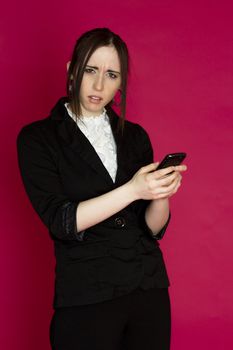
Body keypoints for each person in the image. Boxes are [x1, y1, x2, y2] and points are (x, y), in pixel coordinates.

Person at [17, 27, 187, 350]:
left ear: (120, 82)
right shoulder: (37, 139)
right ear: (71, 70)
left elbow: (151, 228)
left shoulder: (135, 137)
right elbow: (62, 221)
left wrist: (160, 194)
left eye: (111, 75)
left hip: (147, 288)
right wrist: (134, 189)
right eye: (91, 70)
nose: (99, 85)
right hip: (86, 294)